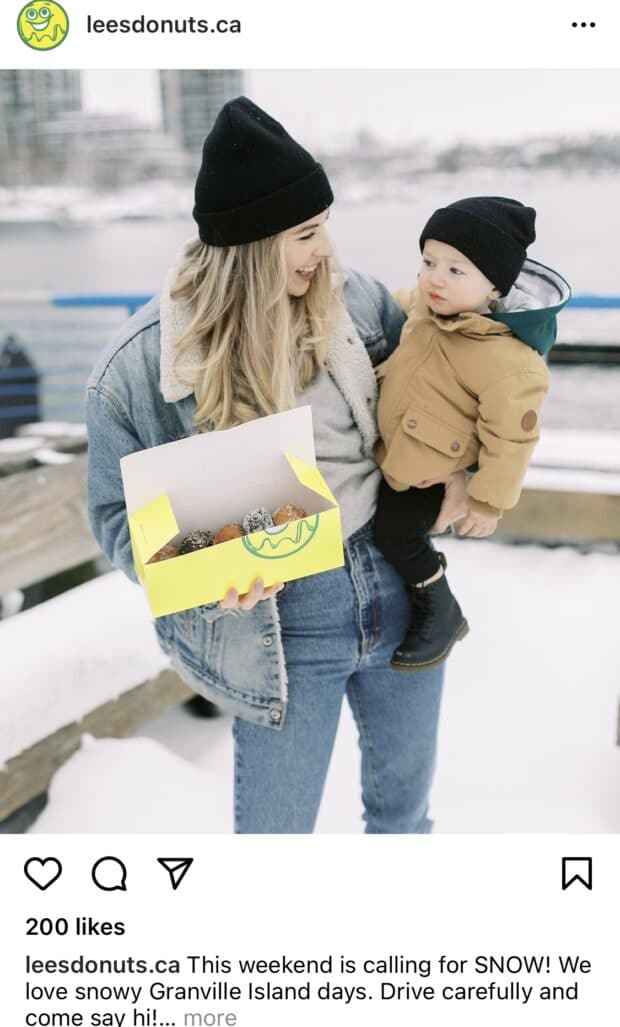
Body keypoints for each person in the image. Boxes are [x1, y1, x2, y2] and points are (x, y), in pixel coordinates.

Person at [86, 97, 465, 834]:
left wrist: (459, 466)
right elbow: (114, 519)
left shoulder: (353, 301)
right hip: (280, 623)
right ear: (252, 245)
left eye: (325, 226)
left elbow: (430, 402)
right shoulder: (136, 366)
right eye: (305, 233)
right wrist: (203, 566)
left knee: (404, 816)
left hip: (397, 584)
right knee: (273, 840)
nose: (325, 249)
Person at [373, 196, 571, 671]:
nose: (436, 278)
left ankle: (439, 605)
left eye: (457, 270)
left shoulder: (509, 362)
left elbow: (513, 440)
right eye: (429, 262)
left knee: (395, 533)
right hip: (393, 450)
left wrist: (486, 500)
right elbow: (389, 300)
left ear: (494, 287)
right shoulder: (423, 307)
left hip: (431, 472)